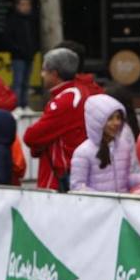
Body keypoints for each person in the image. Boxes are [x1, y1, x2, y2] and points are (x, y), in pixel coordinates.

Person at [23, 47, 102, 192]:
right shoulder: (80, 91)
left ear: (54, 74)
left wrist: (40, 145)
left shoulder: (65, 100)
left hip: (60, 176)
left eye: (44, 70)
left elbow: (31, 137)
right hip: (76, 171)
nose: (41, 75)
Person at [68, 95, 140, 193]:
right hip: (96, 207)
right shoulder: (83, 152)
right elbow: (77, 186)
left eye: (118, 117)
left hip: (121, 206)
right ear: (97, 121)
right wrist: (104, 199)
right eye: (110, 119)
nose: (116, 123)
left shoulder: (124, 146)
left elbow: (126, 178)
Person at [3, 0, 40, 112]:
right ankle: (17, 105)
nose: (26, 7)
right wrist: (17, 50)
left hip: (29, 55)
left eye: (28, 4)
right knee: (18, 82)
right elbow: (8, 39)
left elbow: (35, 37)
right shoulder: (13, 20)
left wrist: (34, 49)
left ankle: (24, 105)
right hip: (18, 57)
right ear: (18, 6)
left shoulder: (32, 20)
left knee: (26, 82)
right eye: (23, 4)